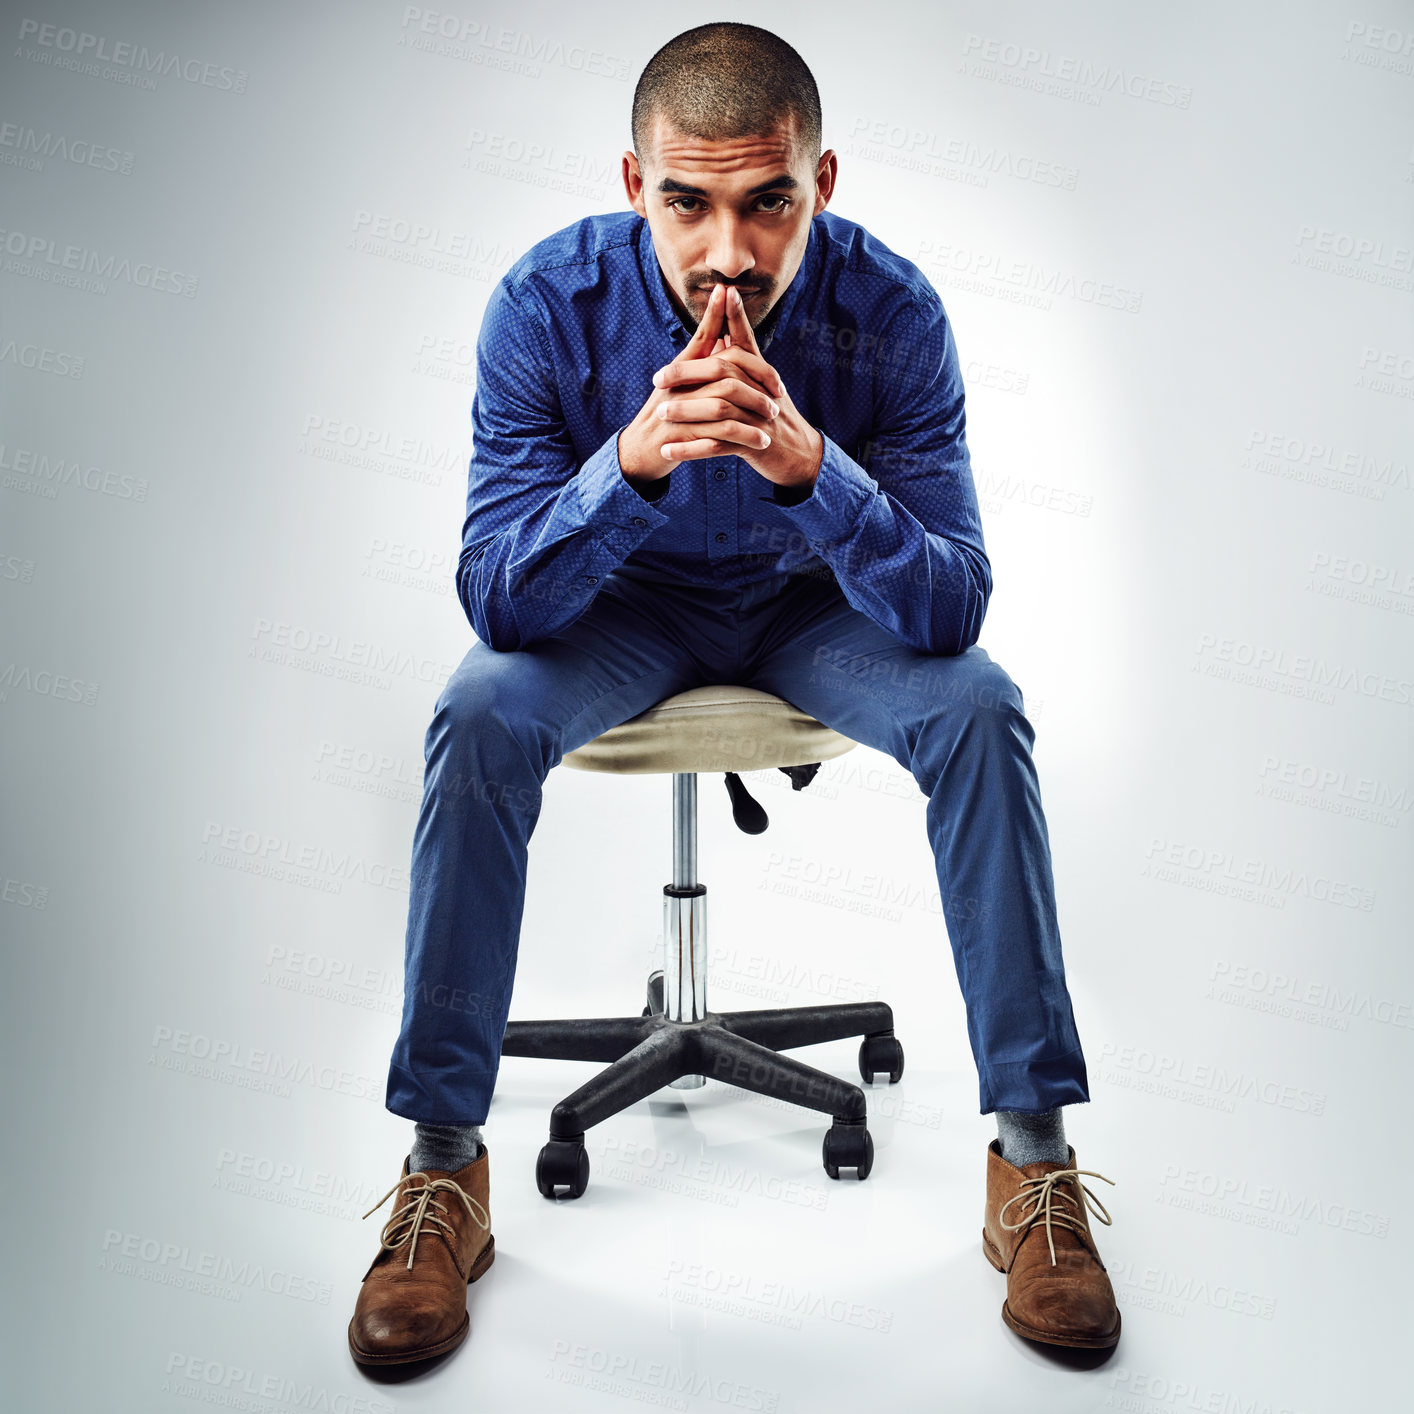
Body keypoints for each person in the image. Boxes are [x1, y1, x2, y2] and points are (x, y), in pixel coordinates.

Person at [347, 21, 1120, 1367]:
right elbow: (499, 600)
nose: (725, 252)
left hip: (815, 612)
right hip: (622, 611)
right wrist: (626, 468)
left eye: (766, 202)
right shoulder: (542, 305)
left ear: (820, 184)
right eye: (684, 203)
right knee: (476, 708)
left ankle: (1033, 1164)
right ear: (632, 183)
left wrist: (816, 469)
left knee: (979, 706)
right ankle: (441, 1168)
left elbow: (946, 609)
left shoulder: (893, 313)